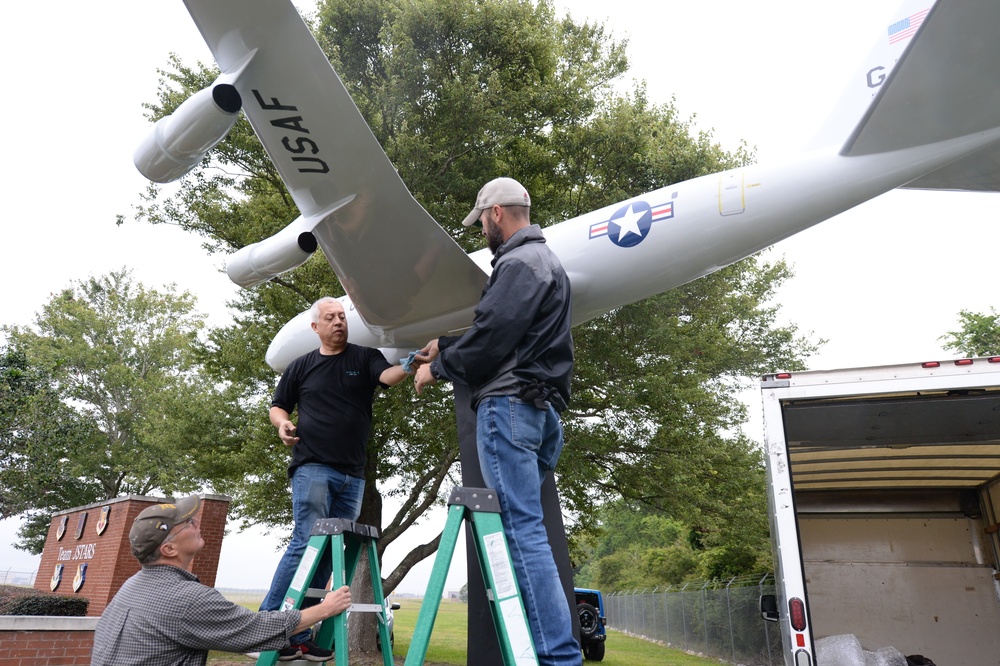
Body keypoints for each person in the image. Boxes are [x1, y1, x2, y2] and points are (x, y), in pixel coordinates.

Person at [413, 177, 580, 666]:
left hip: (507, 407)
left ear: (498, 214)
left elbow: (492, 341)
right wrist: (446, 343)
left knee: (521, 534)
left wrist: (436, 368)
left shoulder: (517, 263)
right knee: (532, 531)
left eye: (481, 219)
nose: (481, 228)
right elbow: (506, 330)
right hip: (541, 411)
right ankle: (553, 649)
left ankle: (556, 657)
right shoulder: (547, 263)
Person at [260, 296, 410, 661]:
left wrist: (416, 360)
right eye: (331, 317)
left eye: (342, 316)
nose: (339, 322)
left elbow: (388, 376)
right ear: (316, 327)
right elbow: (277, 405)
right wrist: (282, 424)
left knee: (328, 552)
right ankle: (268, 623)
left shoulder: (364, 356)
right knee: (305, 541)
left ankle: (299, 632)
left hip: (352, 475)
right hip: (312, 467)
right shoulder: (301, 366)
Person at [91, 495, 351, 666]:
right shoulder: (187, 598)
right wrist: (326, 608)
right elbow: (258, 628)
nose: (196, 523)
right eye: (188, 523)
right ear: (168, 549)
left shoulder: (131, 586)